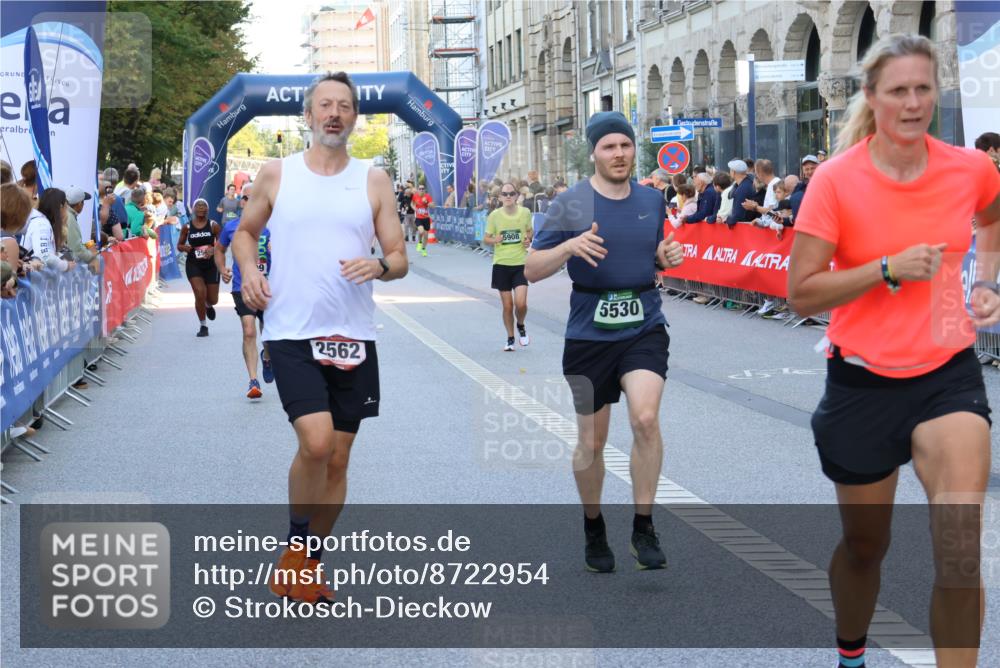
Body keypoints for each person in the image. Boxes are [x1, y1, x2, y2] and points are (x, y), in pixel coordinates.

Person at [787, 34, 1000, 668]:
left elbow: (991, 220)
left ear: (938, 92)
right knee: (864, 548)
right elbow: (801, 292)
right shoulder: (836, 181)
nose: (913, 103)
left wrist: (986, 281)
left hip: (947, 377)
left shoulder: (971, 167)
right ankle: (850, 651)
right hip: (862, 383)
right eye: (899, 90)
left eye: (924, 89)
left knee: (960, 549)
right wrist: (884, 268)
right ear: (873, 97)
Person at [232, 71, 408, 604]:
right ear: (307, 116)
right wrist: (250, 273)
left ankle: (305, 562)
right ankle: (296, 549)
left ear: (355, 118)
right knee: (316, 442)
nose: (334, 113)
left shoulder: (373, 179)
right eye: (325, 105)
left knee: (338, 459)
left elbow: (399, 258)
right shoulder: (276, 173)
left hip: (353, 335)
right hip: (291, 331)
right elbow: (244, 233)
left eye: (345, 106)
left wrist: (379, 266)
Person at [525, 111, 684, 573]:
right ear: (593, 153)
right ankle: (594, 526)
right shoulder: (571, 203)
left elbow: (654, 253)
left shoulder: (652, 201)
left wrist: (664, 256)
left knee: (646, 417)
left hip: (643, 323)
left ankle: (643, 526)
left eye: (626, 145)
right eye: (609, 147)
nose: (619, 154)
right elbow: (532, 269)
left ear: (635, 150)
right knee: (592, 441)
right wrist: (568, 247)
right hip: (588, 333)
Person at [216, 186, 273, 398]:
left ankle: (268, 358)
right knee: (249, 331)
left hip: (270, 287)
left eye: (257, 197)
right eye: (248, 198)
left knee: (269, 334)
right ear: (242, 201)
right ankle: (253, 380)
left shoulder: (274, 226)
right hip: (243, 286)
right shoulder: (232, 227)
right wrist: (222, 269)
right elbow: (219, 250)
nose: (252, 201)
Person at [483, 181, 533, 351]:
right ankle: (510, 338)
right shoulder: (494, 216)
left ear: (517, 195)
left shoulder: (525, 212)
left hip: (520, 263)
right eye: (505, 194)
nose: (508, 196)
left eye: (511, 193)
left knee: (521, 304)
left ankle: (521, 324)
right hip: (501, 264)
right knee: (507, 306)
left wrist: (528, 239)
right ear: (500, 197)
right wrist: (494, 240)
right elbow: (486, 238)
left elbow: (529, 231)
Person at [177, 198, 221, 336]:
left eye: (204, 205)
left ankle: (208, 305)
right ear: (194, 209)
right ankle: (203, 326)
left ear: (207, 209)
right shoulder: (187, 227)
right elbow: (179, 245)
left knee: (213, 299)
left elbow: (222, 244)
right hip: (193, 263)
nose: (201, 207)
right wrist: (185, 247)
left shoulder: (214, 225)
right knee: (199, 293)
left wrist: (213, 249)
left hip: (211, 265)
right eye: (198, 205)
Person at [24, 188, 75, 273]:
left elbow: (46, 252)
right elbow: (44, 256)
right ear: (61, 207)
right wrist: (66, 265)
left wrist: (61, 257)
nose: (67, 212)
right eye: (66, 207)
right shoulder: (41, 225)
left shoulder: (42, 222)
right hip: (34, 279)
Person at [411, 184, 433, 256]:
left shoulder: (428, 196)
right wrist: (414, 208)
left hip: (426, 218)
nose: (421, 190)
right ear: (418, 189)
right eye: (420, 189)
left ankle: (423, 249)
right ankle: (420, 242)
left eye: (422, 188)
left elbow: (432, 205)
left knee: (426, 236)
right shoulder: (415, 196)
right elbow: (412, 204)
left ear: (424, 190)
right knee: (421, 231)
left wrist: (426, 202)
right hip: (418, 218)